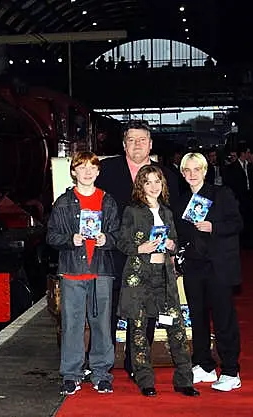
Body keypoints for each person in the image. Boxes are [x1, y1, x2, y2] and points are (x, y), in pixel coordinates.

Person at [95, 119, 180, 377]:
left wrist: (174, 248)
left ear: (151, 144)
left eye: (142, 140)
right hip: (113, 253)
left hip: (152, 257)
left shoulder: (167, 175)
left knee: (146, 311)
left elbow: (174, 214)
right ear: (123, 145)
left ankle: (136, 364)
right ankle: (102, 364)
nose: (137, 145)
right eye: (131, 140)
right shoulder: (106, 170)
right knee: (108, 310)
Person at [116, 165, 199, 397]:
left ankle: (184, 380)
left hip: (164, 276)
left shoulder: (167, 212)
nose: (153, 186)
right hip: (140, 276)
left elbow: (173, 240)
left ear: (163, 185)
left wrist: (172, 245)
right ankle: (145, 380)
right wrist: (140, 247)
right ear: (140, 186)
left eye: (157, 182)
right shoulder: (132, 211)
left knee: (177, 328)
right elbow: (121, 242)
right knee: (139, 330)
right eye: (148, 182)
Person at [46, 151, 120, 395]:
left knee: (102, 325)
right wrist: (70, 239)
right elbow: (51, 236)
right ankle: (71, 374)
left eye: (92, 167)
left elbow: (118, 235)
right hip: (72, 272)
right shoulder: (63, 203)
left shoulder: (108, 201)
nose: (87, 172)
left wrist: (106, 239)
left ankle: (101, 373)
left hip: (100, 272)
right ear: (74, 171)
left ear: (98, 172)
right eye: (82, 167)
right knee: (72, 325)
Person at [174, 152, 244, 392]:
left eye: (197, 169)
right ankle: (204, 365)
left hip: (219, 267)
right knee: (198, 318)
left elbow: (237, 223)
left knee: (224, 319)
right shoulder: (181, 201)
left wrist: (214, 227)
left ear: (205, 171)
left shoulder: (221, 194)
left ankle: (231, 370)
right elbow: (181, 234)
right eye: (187, 170)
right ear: (183, 174)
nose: (192, 175)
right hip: (194, 267)